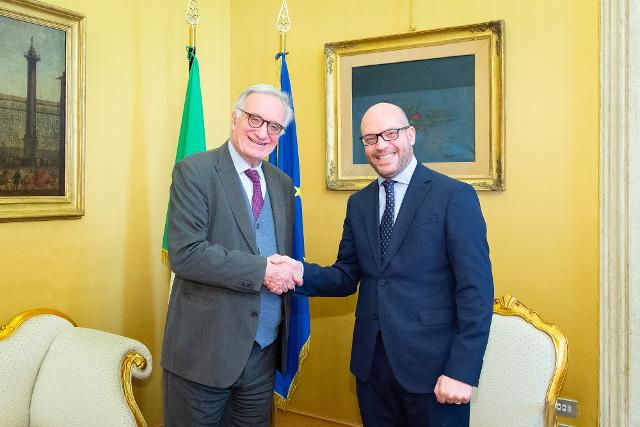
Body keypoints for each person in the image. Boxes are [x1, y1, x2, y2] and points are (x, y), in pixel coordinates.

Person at [275, 102, 494, 426]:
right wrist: (298, 272)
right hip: (372, 369)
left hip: (435, 371)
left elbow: (476, 290)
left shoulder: (453, 196)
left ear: (411, 135)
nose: (381, 145)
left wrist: (461, 371)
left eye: (390, 134)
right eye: (370, 138)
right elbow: (346, 275)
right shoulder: (359, 203)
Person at [162, 84, 303, 426]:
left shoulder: (283, 184)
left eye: (274, 127)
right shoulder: (194, 171)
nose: (263, 132)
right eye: (255, 119)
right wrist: (262, 272)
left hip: (262, 354)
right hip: (204, 351)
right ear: (235, 118)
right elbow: (186, 253)